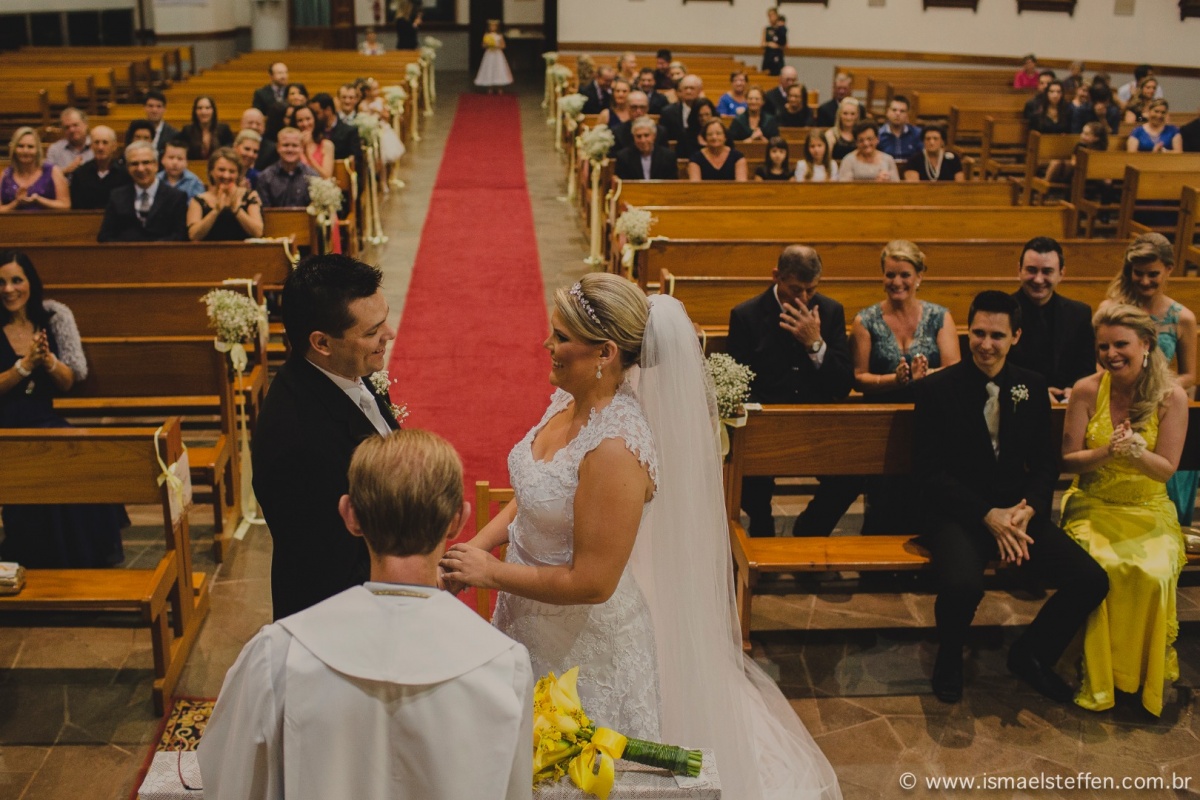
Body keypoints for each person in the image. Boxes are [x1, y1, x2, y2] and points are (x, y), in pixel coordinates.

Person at [440, 273, 842, 800]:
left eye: (561, 337)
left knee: (580, 782)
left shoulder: (614, 448)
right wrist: (479, 545)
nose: (546, 345)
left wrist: (491, 573)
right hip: (528, 614)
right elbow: (534, 492)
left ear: (605, 353)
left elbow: (593, 583)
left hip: (585, 650)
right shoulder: (569, 400)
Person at [200, 429, 534, 800]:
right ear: (458, 519)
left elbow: (228, 779)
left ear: (351, 516)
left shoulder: (278, 656)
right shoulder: (504, 667)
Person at [914, 290, 1109, 705]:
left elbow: (1044, 463)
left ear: (1016, 336)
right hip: (957, 514)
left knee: (1090, 579)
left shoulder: (1031, 386)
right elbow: (928, 473)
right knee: (963, 585)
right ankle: (949, 656)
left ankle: (1032, 654)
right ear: (968, 332)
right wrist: (986, 514)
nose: (986, 344)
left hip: (1017, 512)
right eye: (979, 333)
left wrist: (1028, 509)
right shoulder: (937, 389)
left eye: (997, 336)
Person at [253, 255, 399, 620]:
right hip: (344, 618)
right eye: (372, 332)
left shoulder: (343, 368)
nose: (389, 334)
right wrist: (415, 582)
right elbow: (331, 568)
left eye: (384, 319)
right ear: (322, 343)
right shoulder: (298, 443)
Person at [1059, 304, 1186, 717]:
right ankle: (1096, 674)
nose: (1111, 354)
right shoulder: (1085, 390)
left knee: (1153, 572)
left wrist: (1136, 453)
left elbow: (1166, 470)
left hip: (1147, 507)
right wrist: (1107, 452)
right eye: (1103, 347)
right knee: (1102, 567)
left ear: (1146, 344)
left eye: (1121, 345)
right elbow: (1068, 460)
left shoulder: (1171, 397)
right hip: (1093, 503)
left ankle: (1140, 676)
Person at [0, 250, 125, 568]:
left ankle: (84, 554)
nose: (9, 289)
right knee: (40, 459)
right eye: (1, 283)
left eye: (16, 280)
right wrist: (24, 367)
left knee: (82, 454)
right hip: (6, 426)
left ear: (30, 282)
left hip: (43, 419)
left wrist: (48, 361)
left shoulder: (49, 320)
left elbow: (68, 381)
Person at [727, 246, 856, 538]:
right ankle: (762, 526)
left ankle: (810, 528)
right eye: (796, 289)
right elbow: (739, 383)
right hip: (765, 424)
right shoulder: (747, 315)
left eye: (811, 290)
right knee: (749, 479)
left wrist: (815, 344)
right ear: (777, 277)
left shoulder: (830, 312)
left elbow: (842, 385)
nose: (804, 298)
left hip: (817, 422)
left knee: (852, 474)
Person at [1101, 234, 1197, 525]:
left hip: (1161, 405)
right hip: (1120, 403)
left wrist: (1159, 390)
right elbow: (1100, 362)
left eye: (1152, 274)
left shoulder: (1182, 318)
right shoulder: (1111, 310)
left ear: (1169, 269)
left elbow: (1191, 374)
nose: (1144, 281)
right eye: (1138, 273)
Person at [851, 240, 960, 398]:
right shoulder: (865, 321)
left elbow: (954, 371)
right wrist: (895, 380)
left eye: (905, 275)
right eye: (890, 275)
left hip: (931, 407)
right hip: (879, 409)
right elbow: (858, 378)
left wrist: (925, 374)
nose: (896, 282)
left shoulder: (940, 317)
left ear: (919, 277)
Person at [1007, 237, 1096, 404]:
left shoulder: (1079, 314)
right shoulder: (1002, 312)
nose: (1038, 279)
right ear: (1019, 270)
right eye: (1031, 270)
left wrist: (1074, 389)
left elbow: (1087, 368)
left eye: (1047, 271)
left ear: (1061, 273)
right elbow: (996, 368)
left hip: (1067, 403)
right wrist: (1037, 391)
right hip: (1015, 402)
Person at [96, 141, 188, 242]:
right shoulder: (117, 196)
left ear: (156, 165)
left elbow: (180, 236)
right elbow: (105, 236)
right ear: (127, 168)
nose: (140, 169)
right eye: (134, 164)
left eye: (146, 162)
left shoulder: (176, 197)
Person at [187, 148, 263, 242]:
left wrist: (236, 210)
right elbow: (193, 236)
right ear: (211, 171)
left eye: (232, 171)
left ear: (238, 174)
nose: (226, 175)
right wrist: (216, 211)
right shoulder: (198, 200)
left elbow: (258, 232)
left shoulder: (250, 196)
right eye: (221, 170)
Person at [1, 128, 70, 212]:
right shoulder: (5, 175)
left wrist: (38, 200)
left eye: (30, 147)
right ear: (14, 149)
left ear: (37, 150)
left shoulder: (53, 171)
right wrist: (16, 203)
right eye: (20, 146)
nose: (25, 151)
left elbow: (65, 205)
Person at [68, 125, 131, 210]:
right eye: (96, 142)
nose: (100, 147)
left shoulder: (125, 174)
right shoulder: (80, 174)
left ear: (114, 146)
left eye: (105, 143)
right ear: (91, 146)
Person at [256, 128, 319, 208]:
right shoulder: (265, 177)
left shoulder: (313, 177)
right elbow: (264, 212)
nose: (290, 149)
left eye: (294, 145)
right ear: (278, 147)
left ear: (301, 148)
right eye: (285, 145)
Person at [659, 74, 703, 158]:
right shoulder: (668, 112)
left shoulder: (707, 111)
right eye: (685, 88)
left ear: (699, 91)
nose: (688, 91)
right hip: (676, 155)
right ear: (680, 91)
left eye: (692, 88)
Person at [310, 93, 361, 162]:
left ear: (328, 110)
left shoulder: (349, 131)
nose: (314, 117)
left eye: (317, 113)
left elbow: (357, 159)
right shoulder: (314, 131)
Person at [181, 96, 234, 161]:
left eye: (207, 108)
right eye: (199, 108)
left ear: (213, 110)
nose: (203, 112)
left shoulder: (224, 129)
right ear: (195, 111)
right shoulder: (187, 130)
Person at [127, 91, 179, 156]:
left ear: (164, 109)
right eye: (150, 106)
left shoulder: (173, 134)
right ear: (144, 108)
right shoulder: (134, 129)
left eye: (158, 106)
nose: (154, 110)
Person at [45, 108, 92, 180]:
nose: (71, 130)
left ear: (85, 124)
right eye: (67, 127)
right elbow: (47, 178)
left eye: (75, 125)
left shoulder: (97, 146)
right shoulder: (55, 150)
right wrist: (66, 171)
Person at [877, 96, 922, 164]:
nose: (898, 114)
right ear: (887, 112)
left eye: (902, 111)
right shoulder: (878, 135)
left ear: (907, 114)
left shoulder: (917, 134)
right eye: (894, 110)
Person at [293, 105, 335, 179]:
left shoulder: (326, 145)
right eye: (300, 121)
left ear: (315, 120)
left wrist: (308, 155)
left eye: (308, 119)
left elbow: (326, 176)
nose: (305, 124)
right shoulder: (290, 146)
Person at [475, 20, 513, 94]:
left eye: (494, 26)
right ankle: (490, 87)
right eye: (491, 26)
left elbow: (503, 45)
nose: (492, 27)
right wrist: (488, 45)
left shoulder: (499, 35)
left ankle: (499, 87)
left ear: (497, 27)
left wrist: (497, 45)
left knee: (499, 68)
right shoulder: (486, 35)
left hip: (497, 54)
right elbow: (483, 45)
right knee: (489, 68)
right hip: (489, 54)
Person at [823, 97, 861, 162]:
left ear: (857, 115)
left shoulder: (861, 134)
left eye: (852, 114)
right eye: (845, 113)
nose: (849, 118)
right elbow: (826, 160)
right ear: (839, 114)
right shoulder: (831, 134)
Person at [761, 7, 787, 76]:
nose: (771, 18)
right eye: (769, 16)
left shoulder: (781, 29)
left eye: (772, 15)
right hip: (768, 56)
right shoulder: (767, 29)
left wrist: (777, 46)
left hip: (778, 55)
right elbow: (762, 44)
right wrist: (769, 44)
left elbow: (785, 45)